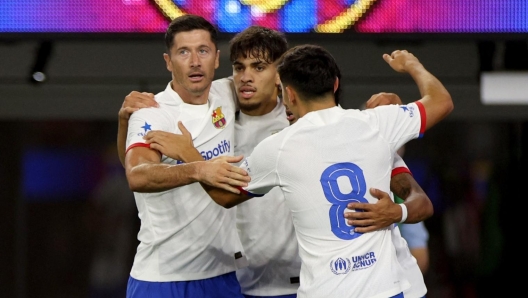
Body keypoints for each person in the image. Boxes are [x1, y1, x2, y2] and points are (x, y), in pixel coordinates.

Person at [119, 27, 435, 298]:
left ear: (283, 75)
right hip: (242, 283)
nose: (245, 77)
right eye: (239, 67)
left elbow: (413, 193)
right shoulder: (221, 115)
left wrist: (401, 211)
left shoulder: (322, 123)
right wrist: (127, 122)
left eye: (258, 67)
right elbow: (138, 170)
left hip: (311, 283)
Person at [193, 46, 453, 297]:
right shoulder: (377, 124)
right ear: (336, 85)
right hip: (384, 290)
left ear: (289, 94)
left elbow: (224, 195)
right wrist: (411, 65)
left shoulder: (277, 147)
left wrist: (187, 154)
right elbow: (441, 101)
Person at [122, 14, 251, 298]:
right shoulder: (153, 113)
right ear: (168, 61)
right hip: (162, 279)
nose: (195, 61)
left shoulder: (227, 93)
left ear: (217, 58)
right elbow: (137, 175)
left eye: (202, 51)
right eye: (184, 52)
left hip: (223, 275)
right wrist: (197, 169)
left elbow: (278, 76)